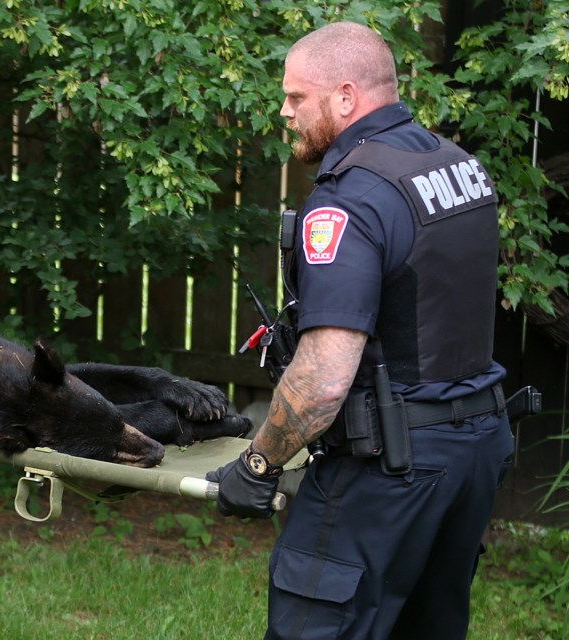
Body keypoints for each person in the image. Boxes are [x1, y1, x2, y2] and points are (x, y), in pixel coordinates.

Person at [207, 21, 514, 640]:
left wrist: (258, 466)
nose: (284, 112)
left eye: (297, 97)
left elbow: (323, 376)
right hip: (472, 454)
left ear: (346, 96)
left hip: (389, 470)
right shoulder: (459, 169)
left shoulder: (350, 198)